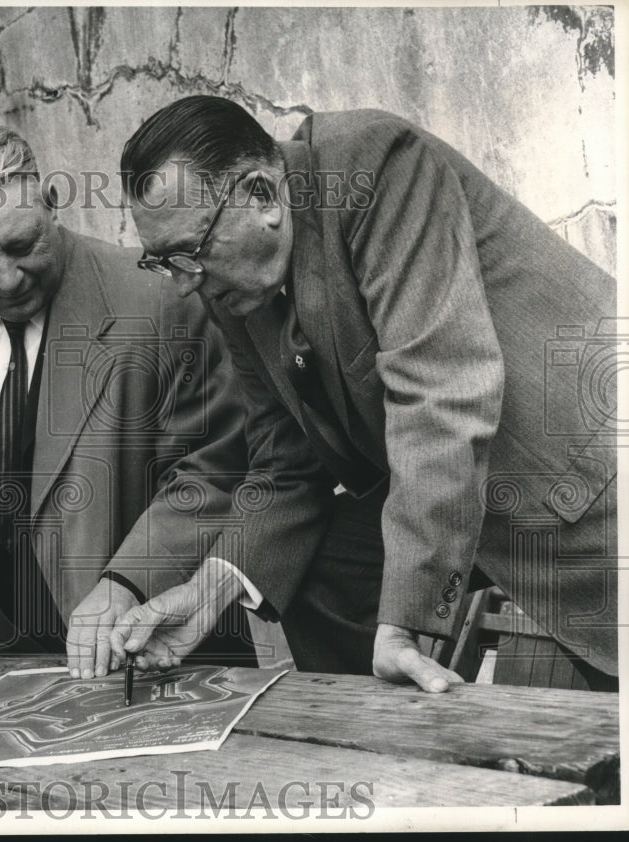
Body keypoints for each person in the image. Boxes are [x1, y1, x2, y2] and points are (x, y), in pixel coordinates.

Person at [108, 95, 618, 692]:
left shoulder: (375, 168)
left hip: (584, 484)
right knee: (317, 563)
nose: (182, 283)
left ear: (261, 196)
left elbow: (442, 395)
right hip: (465, 501)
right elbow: (283, 464)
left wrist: (403, 622)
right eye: (163, 262)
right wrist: (204, 596)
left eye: (189, 254)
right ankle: (386, 752)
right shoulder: (233, 290)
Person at [0, 125, 254, 677]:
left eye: (21, 245)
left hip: (151, 653)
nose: (7, 279)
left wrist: (129, 580)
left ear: (53, 206)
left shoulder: (157, 297)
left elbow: (213, 468)